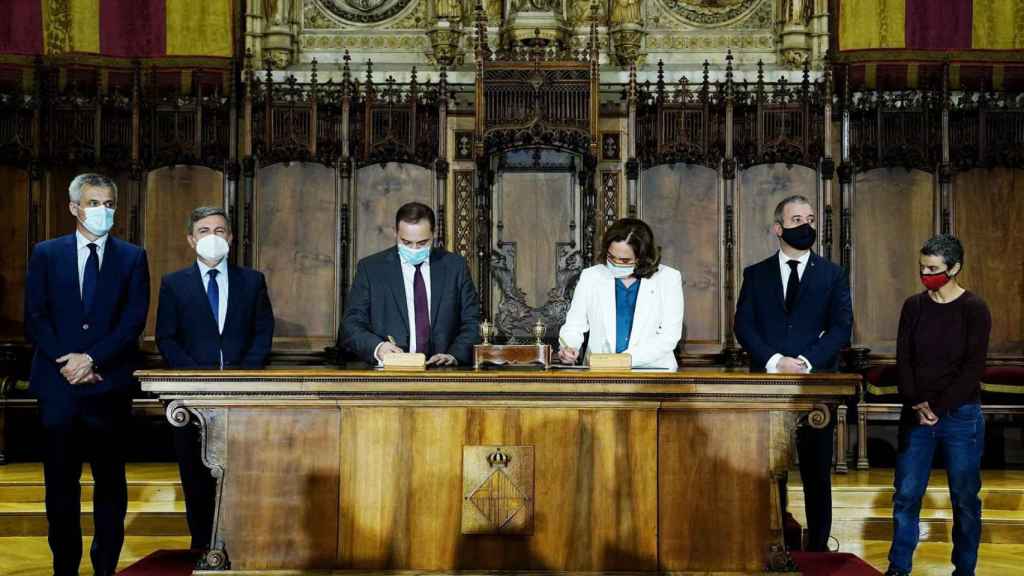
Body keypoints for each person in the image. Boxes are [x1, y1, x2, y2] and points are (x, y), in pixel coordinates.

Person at [24, 173, 150, 576]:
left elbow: (132, 322)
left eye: (109, 204)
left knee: (110, 484)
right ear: (74, 207)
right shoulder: (46, 253)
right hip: (58, 387)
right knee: (60, 486)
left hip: (107, 386)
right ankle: (65, 566)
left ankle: (104, 567)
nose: (103, 211)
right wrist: (69, 360)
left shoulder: (132, 257)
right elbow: (36, 316)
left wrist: (92, 360)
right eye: (95, 203)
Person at [734, 194, 852, 552]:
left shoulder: (833, 274)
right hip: (767, 386)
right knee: (771, 472)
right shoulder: (756, 274)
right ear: (778, 228)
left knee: (817, 473)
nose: (806, 226)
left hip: (815, 387)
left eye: (811, 219)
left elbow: (841, 327)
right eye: (797, 219)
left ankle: (818, 549)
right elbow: (744, 324)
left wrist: (805, 361)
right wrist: (774, 361)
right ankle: (774, 544)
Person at [155, 206, 274, 549]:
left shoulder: (252, 281)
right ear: (191, 240)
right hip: (192, 397)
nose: (213, 237)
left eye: (220, 231)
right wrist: (196, 379)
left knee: (242, 473)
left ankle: (240, 545)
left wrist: (243, 376)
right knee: (195, 476)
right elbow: (167, 337)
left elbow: (263, 332)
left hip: (242, 395)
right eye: (204, 231)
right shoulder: (174, 284)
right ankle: (201, 546)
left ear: (231, 238)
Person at [885, 234, 989, 576]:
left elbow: (972, 368)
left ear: (954, 268)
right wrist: (918, 404)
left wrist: (938, 407)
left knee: (965, 499)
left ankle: (964, 570)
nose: (926, 274)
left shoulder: (974, 308)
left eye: (933, 268)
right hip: (917, 416)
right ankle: (899, 568)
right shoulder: (913, 306)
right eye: (922, 267)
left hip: (960, 416)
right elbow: (904, 360)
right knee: (906, 496)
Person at [340, 202, 481, 366]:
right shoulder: (371, 269)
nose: (414, 249)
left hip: (442, 373)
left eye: (422, 243)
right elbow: (351, 324)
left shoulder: (455, 267)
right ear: (396, 233)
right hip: (389, 373)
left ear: (433, 235)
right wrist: (378, 348)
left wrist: (454, 355)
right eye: (406, 243)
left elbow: (472, 322)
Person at [558, 218, 683, 369]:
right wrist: (569, 347)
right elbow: (574, 325)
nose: (615, 263)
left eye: (624, 260)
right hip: (600, 374)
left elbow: (669, 336)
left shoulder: (668, 278)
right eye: (611, 257)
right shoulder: (591, 276)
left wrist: (624, 360)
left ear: (642, 258)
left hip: (652, 373)